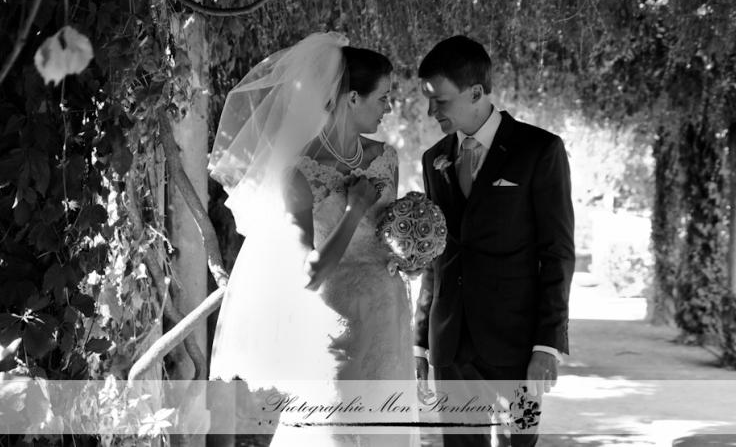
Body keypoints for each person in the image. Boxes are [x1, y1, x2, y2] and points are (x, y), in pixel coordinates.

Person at [208, 33, 418, 446]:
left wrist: (411, 253)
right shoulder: (300, 173)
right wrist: (354, 208)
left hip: (388, 311)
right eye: (382, 98)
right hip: (335, 320)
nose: (389, 108)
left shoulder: (387, 159)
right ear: (352, 99)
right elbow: (310, 274)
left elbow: (388, 235)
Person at [413, 35, 575, 447]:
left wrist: (547, 345)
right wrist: (418, 341)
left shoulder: (539, 150)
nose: (431, 111)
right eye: (428, 100)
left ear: (477, 92)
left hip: (517, 346)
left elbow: (556, 252)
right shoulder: (434, 159)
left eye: (441, 101)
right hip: (450, 345)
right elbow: (437, 256)